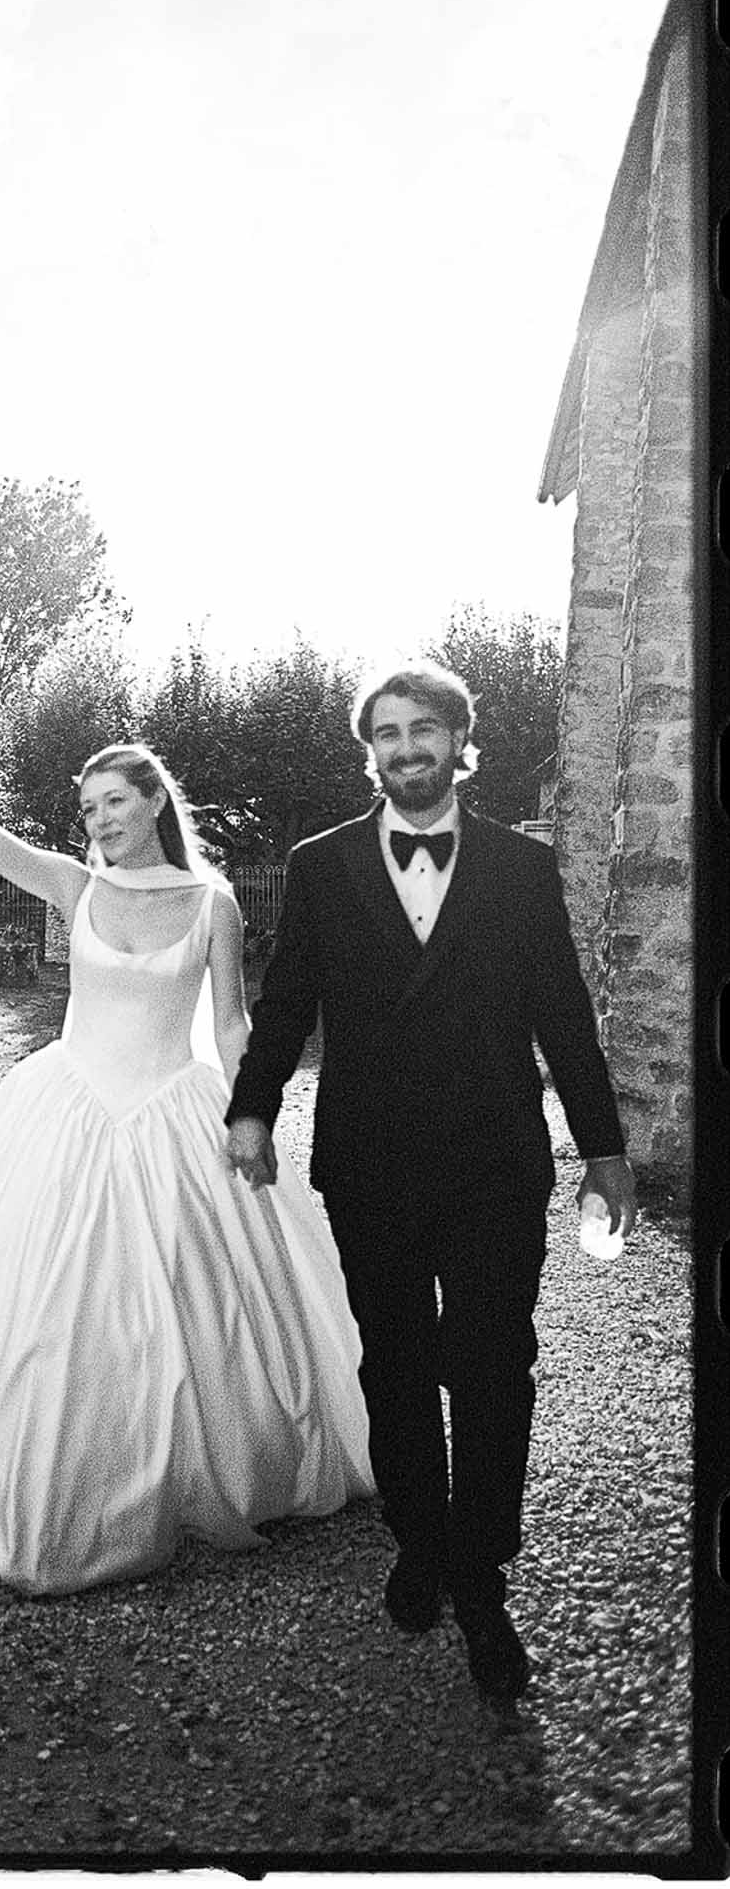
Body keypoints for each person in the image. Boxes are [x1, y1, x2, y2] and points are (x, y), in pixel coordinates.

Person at [0, 702, 373, 1596]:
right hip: (69, 1110)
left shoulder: (213, 904)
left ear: (154, 803)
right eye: (88, 808)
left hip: (176, 1109)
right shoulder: (74, 886)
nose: (98, 821)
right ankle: (44, 1478)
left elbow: (233, 1024)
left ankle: (197, 1475)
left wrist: (252, 1116)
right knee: (46, 1302)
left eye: (113, 803)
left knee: (198, 1303)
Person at [225, 659, 636, 1701]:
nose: (406, 747)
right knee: (395, 1365)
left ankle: (481, 1570)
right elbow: (285, 1004)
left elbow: (563, 1016)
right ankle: (419, 1539)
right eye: (388, 733)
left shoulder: (516, 867)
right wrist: (251, 1106)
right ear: (372, 750)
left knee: (495, 1364)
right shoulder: (319, 866)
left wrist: (602, 1147)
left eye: (424, 729)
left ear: (459, 742)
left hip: (495, 1162)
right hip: (370, 1162)